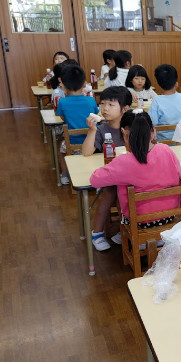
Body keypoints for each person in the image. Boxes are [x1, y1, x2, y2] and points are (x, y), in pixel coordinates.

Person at [90, 110, 181, 247]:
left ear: (124, 134)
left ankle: (126, 235)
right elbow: (178, 172)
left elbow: (95, 180)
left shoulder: (124, 162)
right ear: (153, 132)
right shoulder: (166, 150)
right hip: (168, 219)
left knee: (115, 191)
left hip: (137, 223)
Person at [81, 87, 133, 250]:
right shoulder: (102, 128)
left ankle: (128, 229)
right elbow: (87, 152)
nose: (104, 108)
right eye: (102, 104)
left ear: (125, 109)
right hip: (112, 175)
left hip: (131, 174)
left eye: (111, 104)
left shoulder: (134, 126)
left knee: (134, 190)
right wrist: (92, 130)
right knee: (110, 191)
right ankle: (97, 233)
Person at [55, 64, 99, 185]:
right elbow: (95, 114)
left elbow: (62, 117)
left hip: (72, 142)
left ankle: (65, 175)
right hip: (92, 142)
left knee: (61, 151)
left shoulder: (62, 101)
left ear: (63, 85)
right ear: (84, 84)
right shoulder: (90, 100)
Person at [148, 64, 181, 141]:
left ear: (158, 84)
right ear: (176, 83)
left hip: (163, 141)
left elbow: (152, 122)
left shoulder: (156, 100)